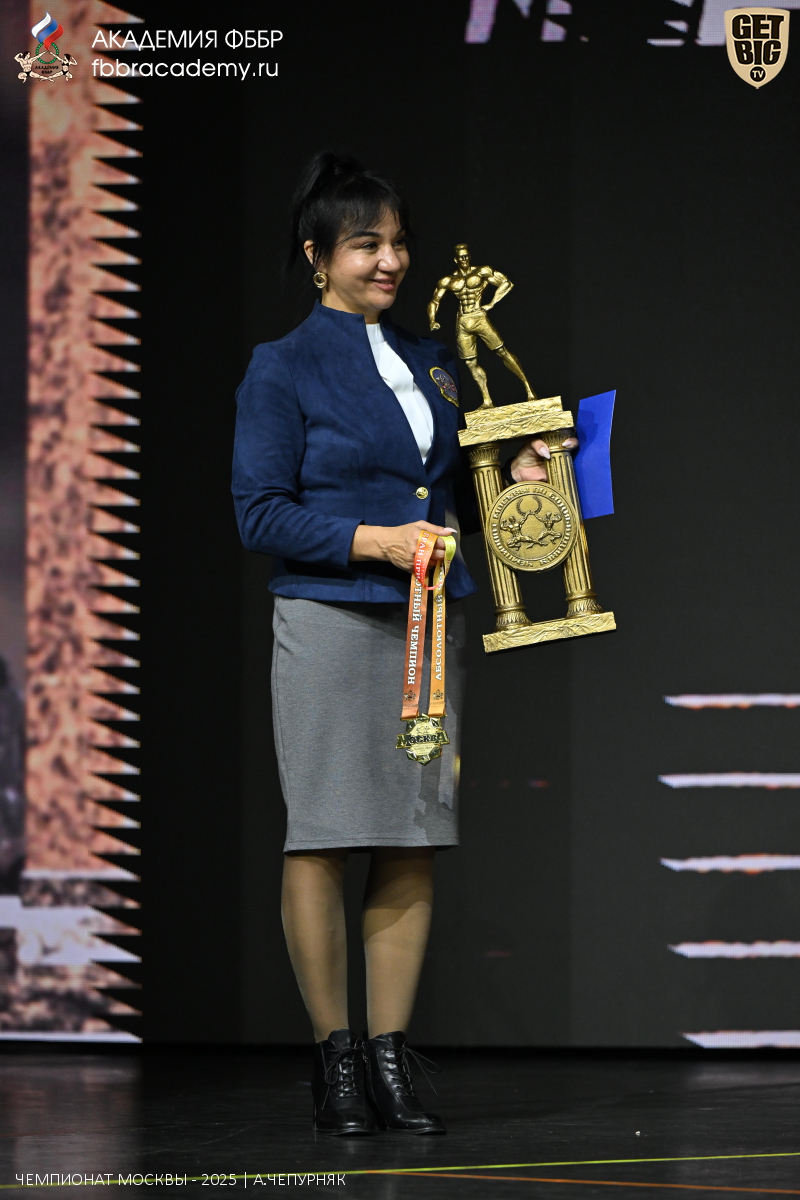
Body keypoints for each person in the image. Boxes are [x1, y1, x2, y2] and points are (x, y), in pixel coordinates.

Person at [232, 153, 573, 1136]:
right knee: (325, 833)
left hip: (428, 619)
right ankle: (335, 1060)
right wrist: (372, 541)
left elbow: (453, 485)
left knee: (413, 834)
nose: (389, 260)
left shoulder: (432, 362)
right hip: (331, 619)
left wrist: (518, 469)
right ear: (316, 257)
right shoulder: (281, 365)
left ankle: (389, 1058)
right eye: (364, 244)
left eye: (395, 242)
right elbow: (259, 512)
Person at [427, 243, 537, 405]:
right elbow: (435, 301)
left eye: (466, 256)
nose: (464, 259)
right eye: (461, 257)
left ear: (470, 256)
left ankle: (529, 389)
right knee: (470, 363)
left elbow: (506, 283)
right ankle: (487, 401)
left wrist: (492, 303)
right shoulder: (448, 280)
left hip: (479, 317)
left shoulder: (481, 272)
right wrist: (432, 320)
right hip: (463, 322)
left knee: (502, 352)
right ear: (456, 260)